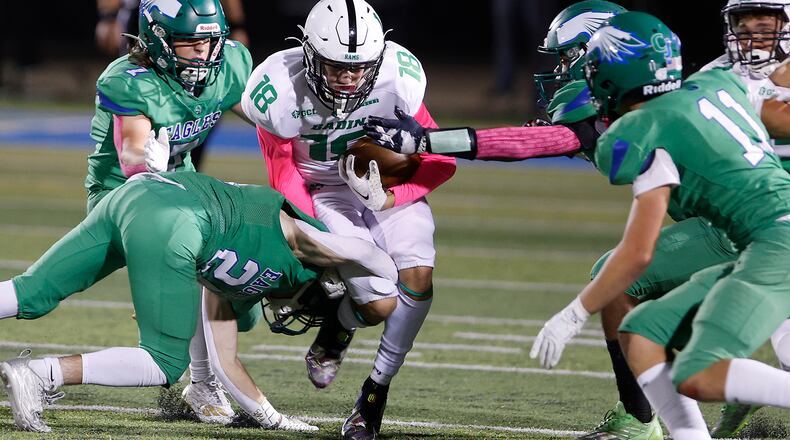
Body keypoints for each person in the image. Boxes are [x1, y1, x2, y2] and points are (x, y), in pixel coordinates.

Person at [364, 1, 790, 438]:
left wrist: (427, 140)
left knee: (645, 300)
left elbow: (538, 143)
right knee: (646, 328)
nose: (569, 70)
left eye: (575, 58)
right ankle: (688, 408)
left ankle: (672, 408)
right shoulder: (713, 81)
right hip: (739, 228)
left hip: (758, 233)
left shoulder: (644, 120)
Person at [529, 11, 790, 440]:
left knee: (699, 376)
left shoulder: (643, 129)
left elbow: (638, 252)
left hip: (775, 241)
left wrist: (573, 313)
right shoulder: (715, 84)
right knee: (643, 331)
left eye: (594, 70)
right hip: (759, 241)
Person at [0, 171, 400, 433]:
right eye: (306, 308)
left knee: (32, 292)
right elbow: (369, 256)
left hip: (138, 194)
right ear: (320, 286)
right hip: (177, 224)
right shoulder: (305, 247)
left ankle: (39, 373)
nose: (289, 311)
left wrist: (270, 416)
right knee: (164, 362)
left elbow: (224, 359)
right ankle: (40, 374)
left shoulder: (254, 276)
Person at [239, 1, 457, 438]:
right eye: (336, 66)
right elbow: (283, 174)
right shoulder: (280, 88)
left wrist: (391, 195)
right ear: (309, 52)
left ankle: (373, 397)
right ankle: (339, 325)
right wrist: (319, 241)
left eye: (359, 69)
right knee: (377, 305)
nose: (348, 78)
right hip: (323, 192)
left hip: (388, 188)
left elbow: (441, 160)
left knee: (417, 275)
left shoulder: (399, 79)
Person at [86, 0, 253, 212]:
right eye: (188, 39)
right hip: (121, 196)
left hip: (181, 189)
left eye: (209, 39)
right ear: (158, 37)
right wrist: (148, 161)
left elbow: (265, 119)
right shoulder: (134, 83)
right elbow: (130, 156)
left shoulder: (227, 66)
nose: (202, 50)